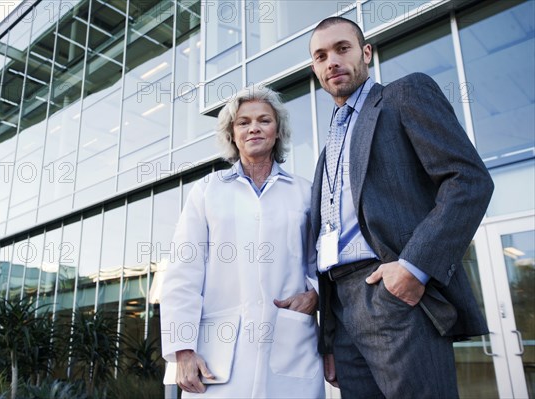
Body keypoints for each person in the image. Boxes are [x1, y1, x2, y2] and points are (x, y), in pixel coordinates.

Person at [308, 16, 494, 398]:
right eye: (321, 56)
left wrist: (414, 268)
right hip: (341, 309)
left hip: (392, 294)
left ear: (366, 52)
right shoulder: (327, 151)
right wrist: (329, 338)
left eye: (342, 49)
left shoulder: (403, 95)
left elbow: (468, 180)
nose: (332, 62)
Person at [160, 86, 325, 398]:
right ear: (231, 134)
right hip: (220, 356)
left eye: (264, 120)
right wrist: (182, 350)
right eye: (243, 122)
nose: (254, 128)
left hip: (291, 346)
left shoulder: (305, 192)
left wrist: (316, 294)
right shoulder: (207, 191)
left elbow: (321, 263)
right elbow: (183, 272)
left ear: (278, 132)